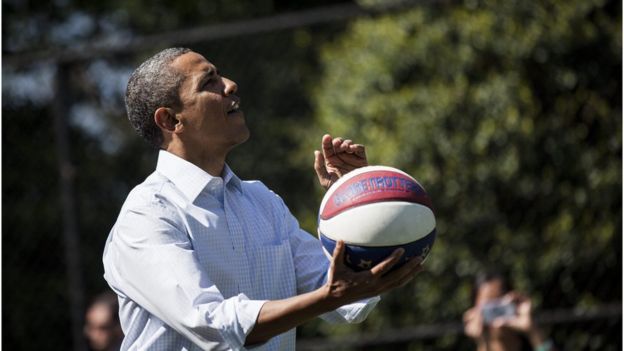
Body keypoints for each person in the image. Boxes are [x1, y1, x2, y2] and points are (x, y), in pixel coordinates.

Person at [102, 47, 424, 350]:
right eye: (209, 81)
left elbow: (345, 292)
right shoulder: (147, 215)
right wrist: (330, 296)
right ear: (171, 120)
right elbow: (213, 326)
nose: (229, 85)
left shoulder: (262, 201)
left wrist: (354, 205)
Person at [463, 270, 556, 351]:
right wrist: (482, 342)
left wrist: (533, 330)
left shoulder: (535, 343)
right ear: (474, 311)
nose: (496, 313)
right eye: (488, 306)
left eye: (499, 303)